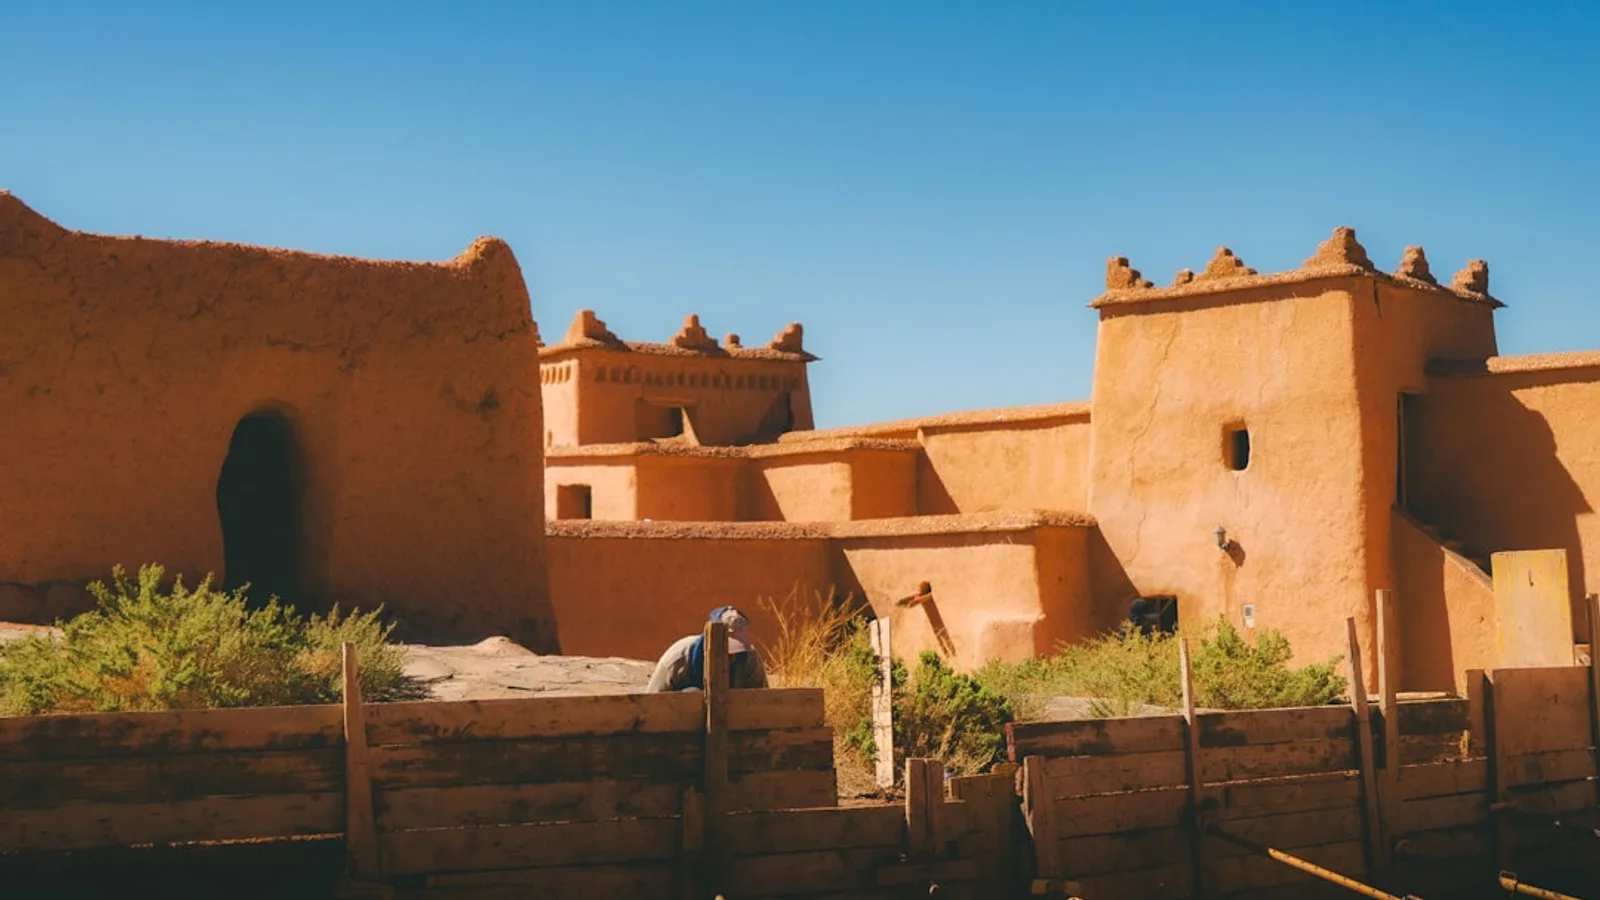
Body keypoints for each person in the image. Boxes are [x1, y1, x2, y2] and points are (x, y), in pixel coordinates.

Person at [646, 605, 769, 692]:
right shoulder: (679, 658)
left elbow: (763, 705)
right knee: (691, 693)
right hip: (680, 722)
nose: (733, 657)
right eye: (728, 650)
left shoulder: (749, 659)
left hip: (734, 719)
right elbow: (651, 705)